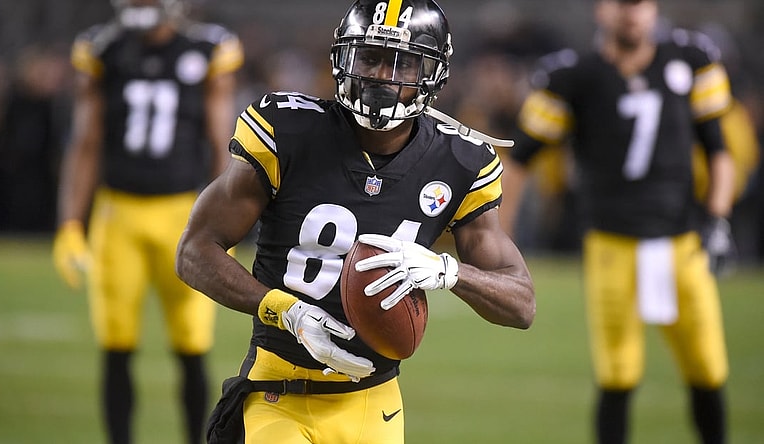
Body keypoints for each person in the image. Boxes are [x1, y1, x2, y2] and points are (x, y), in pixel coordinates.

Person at [175, 1, 536, 442]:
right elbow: (194, 250)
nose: (383, 76)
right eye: (370, 57)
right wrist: (282, 309)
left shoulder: (459, 161)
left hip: (373, 402)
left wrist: (449, 272)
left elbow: (522, 304)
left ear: (433, 73)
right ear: (343, 59)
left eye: (403, 63)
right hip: (277, 391)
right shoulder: (289, 131)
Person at [501, 0, 736, 443]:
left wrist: (717, 217)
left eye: (639, 3)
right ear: (601, 9)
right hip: (612, 244)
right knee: (617, 373)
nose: (631, 13)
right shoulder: (574, 76)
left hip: (682, 240)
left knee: (707, 367)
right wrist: (501, 238)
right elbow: (520, 161)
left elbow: (718, 151)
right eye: (621, 3)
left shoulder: (691, 60)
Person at [51, 1, 244, 443]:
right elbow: (86, 142)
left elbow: (222, 142)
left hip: (184, 215)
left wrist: (223, 226)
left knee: (191, 346)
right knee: (116, 345)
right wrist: (70, 224)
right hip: (117, 214)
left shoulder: (207, 48)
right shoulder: (104, 49)